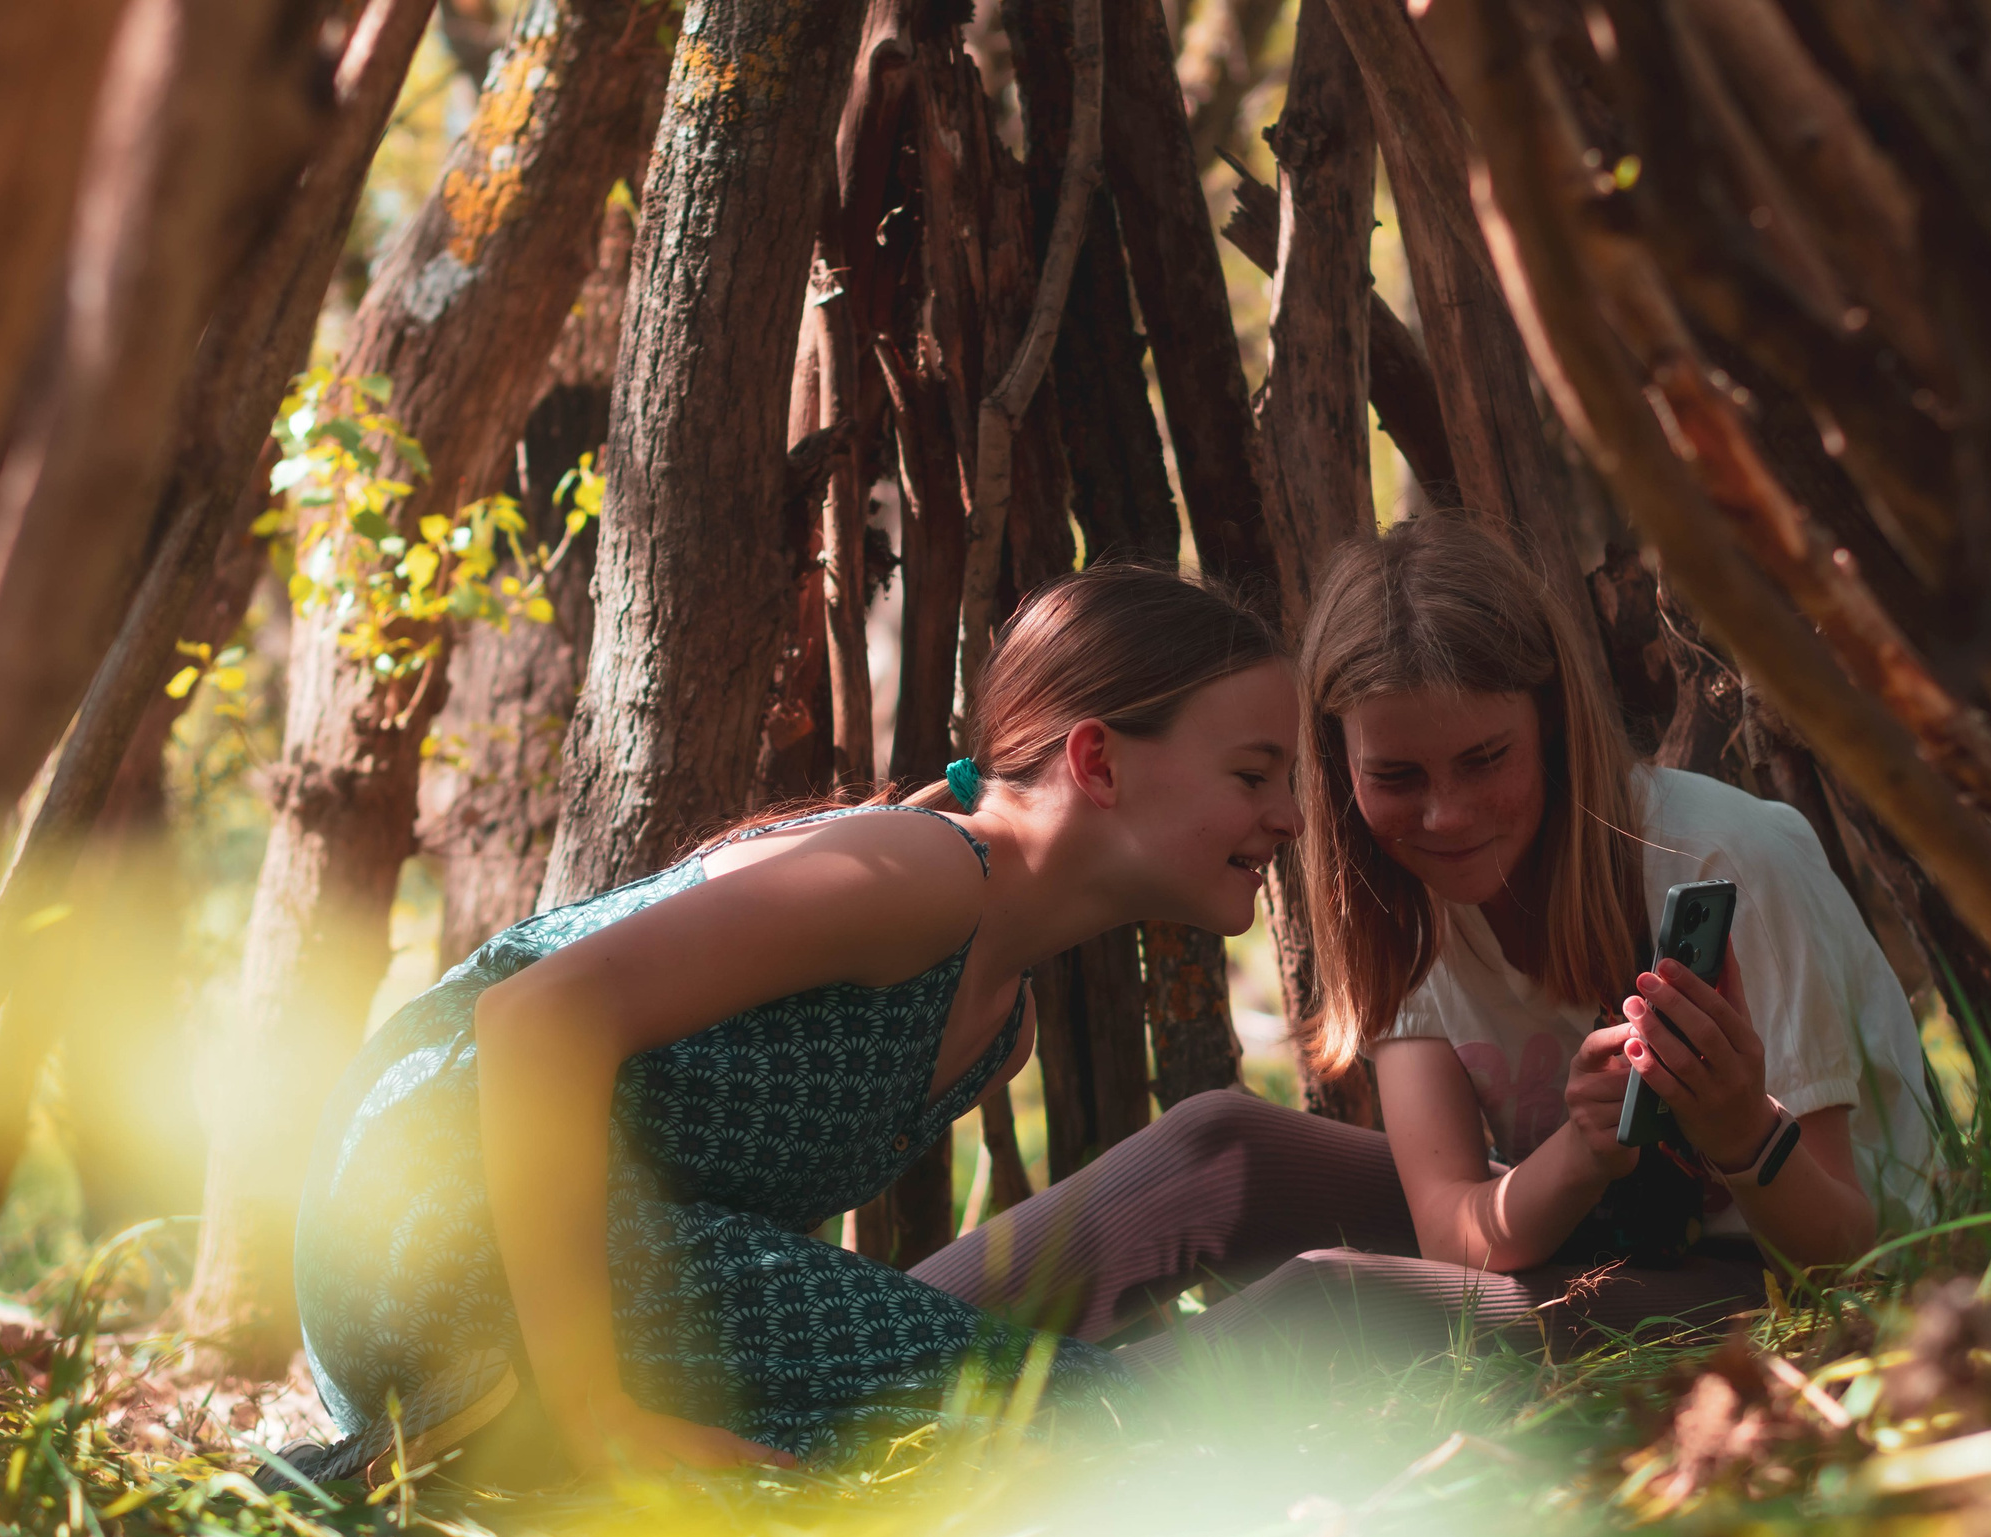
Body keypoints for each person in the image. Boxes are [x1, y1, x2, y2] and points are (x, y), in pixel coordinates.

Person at [288, 567, 1301, 1482]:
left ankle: (505, 1446)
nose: (1291, 816)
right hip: (424, 1223)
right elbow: (536, 1019)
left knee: (963, 1425)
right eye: (1254, 776)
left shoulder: (1002, 1027)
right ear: (1100, 761)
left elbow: (759, 1268)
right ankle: (518, 1425)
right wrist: (601, 1414)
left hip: (582, 1260)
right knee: (1098, 1421)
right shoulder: (926, 874)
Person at [917, 513, 1933, 1368]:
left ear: (1552, 727)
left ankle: (1026, 1442)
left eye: (1484, 760)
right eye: (1396, 778)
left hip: (1754, 1284)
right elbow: (1459, 1229)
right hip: (1566, 1235)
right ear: (1341, 764)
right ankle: (841, 1358)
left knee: (1328, 1303)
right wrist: (1584, 1151)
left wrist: (1735, 1130)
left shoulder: (1723, 857)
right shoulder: (1404, 895)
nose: (1444, 817)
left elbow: (1846, 1256)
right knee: (1212, 1148)